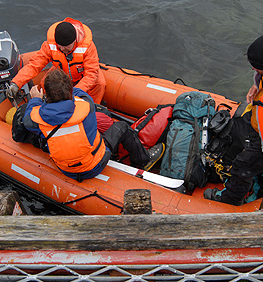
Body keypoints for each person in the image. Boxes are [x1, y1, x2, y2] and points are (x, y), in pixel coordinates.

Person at [204, 16, 263, 205]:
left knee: (242, 165)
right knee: (262, 163)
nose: (256, 71)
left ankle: (230, 200)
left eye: (260, 70)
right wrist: (258, 82)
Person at [22, 68, 164, 182]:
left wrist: (36, 100)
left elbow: (27, 118)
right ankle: (144, 160)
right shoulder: (86, 104)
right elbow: (79, 93)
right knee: (122, 127)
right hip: (96, 163)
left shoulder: (37, 119)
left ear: (47, 95)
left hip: (67, 169)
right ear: (70, 91)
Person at [7, 17, 106, 104]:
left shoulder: (88, 47)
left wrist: (74, 93)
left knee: (100, 84)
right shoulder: (49, 45)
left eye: (66, 47)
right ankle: (47, 107)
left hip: (83, 74)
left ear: (74, 41)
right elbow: (34, 65)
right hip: (62, 73)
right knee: (45, 84)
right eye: (60, 46)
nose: (62, 49)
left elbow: (91, 74)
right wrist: (16, 83)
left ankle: (91, 108)